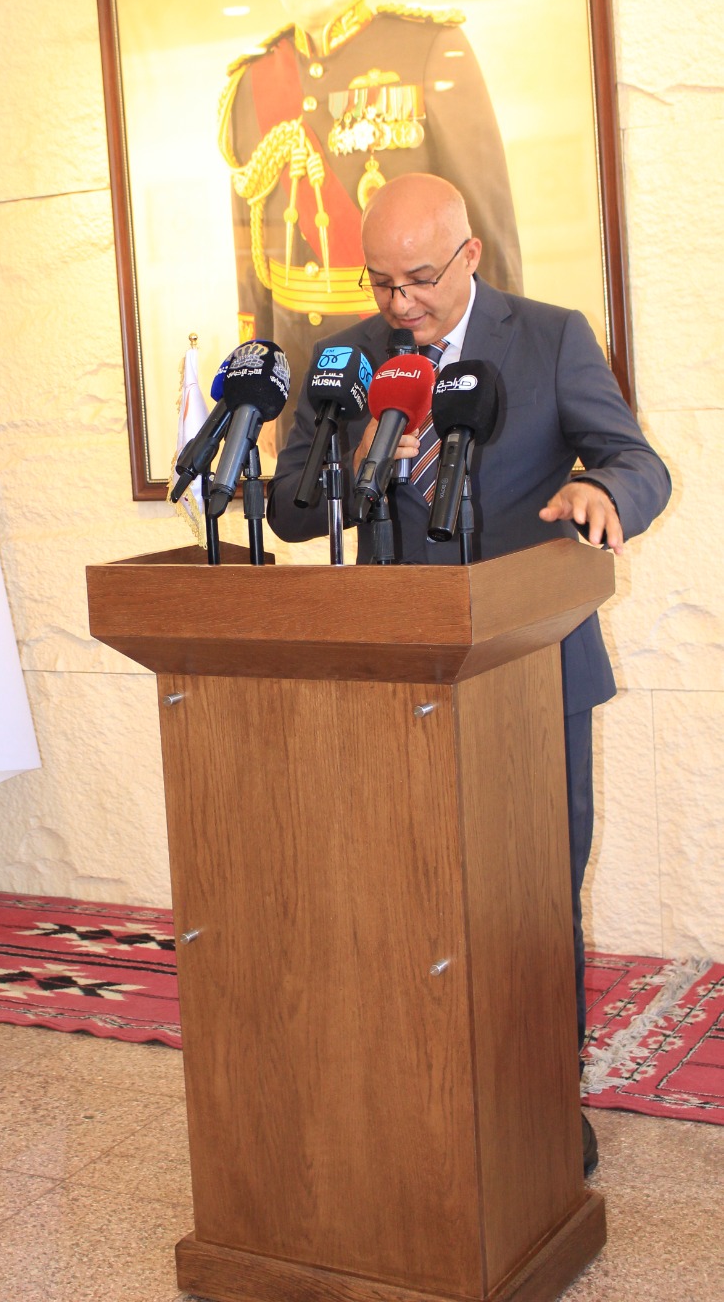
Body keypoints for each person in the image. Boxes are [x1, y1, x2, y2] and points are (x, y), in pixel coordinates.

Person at [268, 173, 671, 1177]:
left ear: (469, 255)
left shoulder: (550, 338)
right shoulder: (346, 358)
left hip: (531, 671)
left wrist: (598, 488)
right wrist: (356, 457)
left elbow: (638, 462)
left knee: (531, 898)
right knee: (399, 897)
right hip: (388, 678)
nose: (398, 302)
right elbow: (288, 511)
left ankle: (543, 1100)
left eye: (418, 279)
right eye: (380, 281)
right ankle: (417, 1091)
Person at [220, 0, 523, 449]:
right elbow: (253, 256)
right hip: (304, 369)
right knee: (309, 503)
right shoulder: (252, 82)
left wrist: (499, 365)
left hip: (410, 355)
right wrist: (261, 386)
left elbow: (485, 227)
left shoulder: (428, 49)